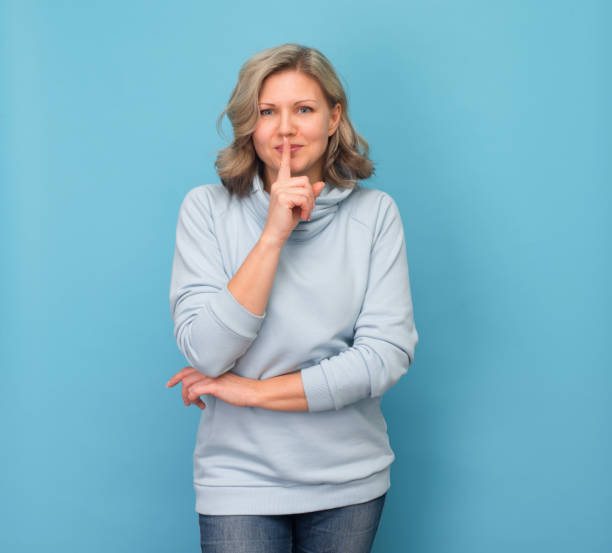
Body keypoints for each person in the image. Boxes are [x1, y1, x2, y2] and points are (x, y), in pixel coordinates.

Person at [166, 43, 419, 553]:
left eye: (303, 109)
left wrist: (251, 392)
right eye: (267, 112)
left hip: (349, 481)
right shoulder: (206, 210)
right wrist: (273, 234)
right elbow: (207, 352)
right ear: (249, 124)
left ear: (333, 118)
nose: (285, 128)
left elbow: (383, 359)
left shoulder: (375, 215)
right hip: (238, 480)